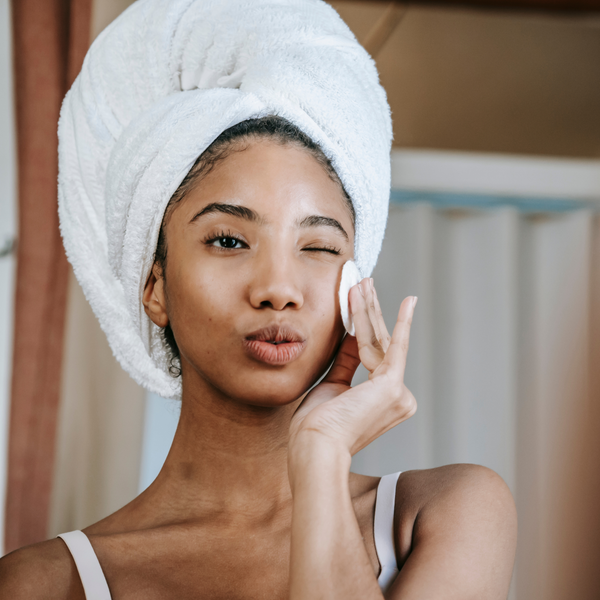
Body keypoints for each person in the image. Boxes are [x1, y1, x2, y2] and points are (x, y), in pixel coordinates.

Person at [0, 2, 517, 599]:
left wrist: (321, 457)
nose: (278, 288)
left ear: (354, 285)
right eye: (228, 239)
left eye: (317, 246)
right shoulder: (42, 584)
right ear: (155, 287)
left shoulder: (447, 514)